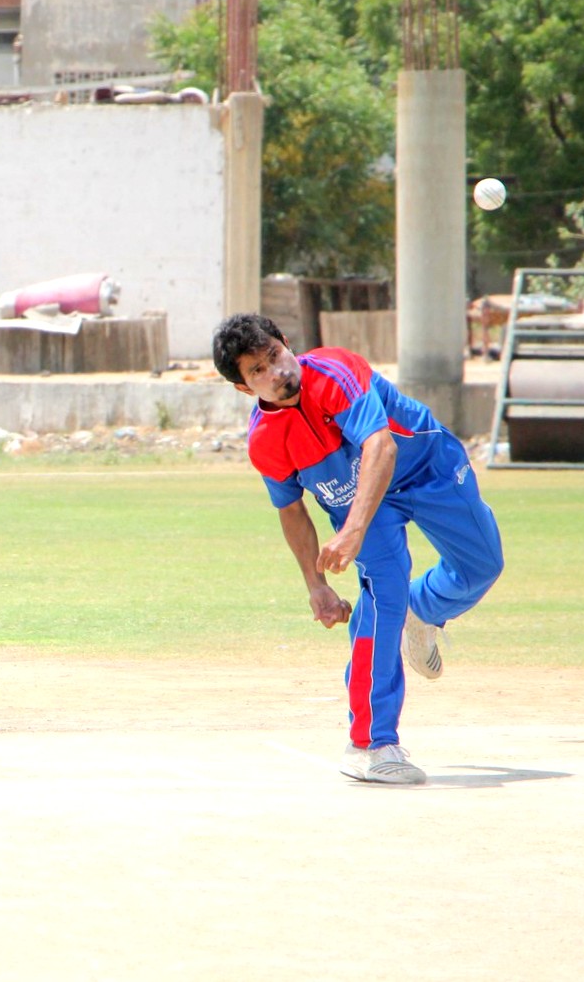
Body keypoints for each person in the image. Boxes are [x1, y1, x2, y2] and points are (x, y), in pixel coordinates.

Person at [212, 313, 504, 784]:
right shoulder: (266, 441)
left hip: (427, 467)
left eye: (274, 355)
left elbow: (381, 448)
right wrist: (316, 586)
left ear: (286, 343)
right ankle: (371, 744)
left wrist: (351, 531)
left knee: (482, 566)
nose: (276, 372)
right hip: (359, 504)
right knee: (383, 593)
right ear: (244, 388)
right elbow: (291, 511)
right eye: (258, 371)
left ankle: (421, 609)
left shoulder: (335, 372)